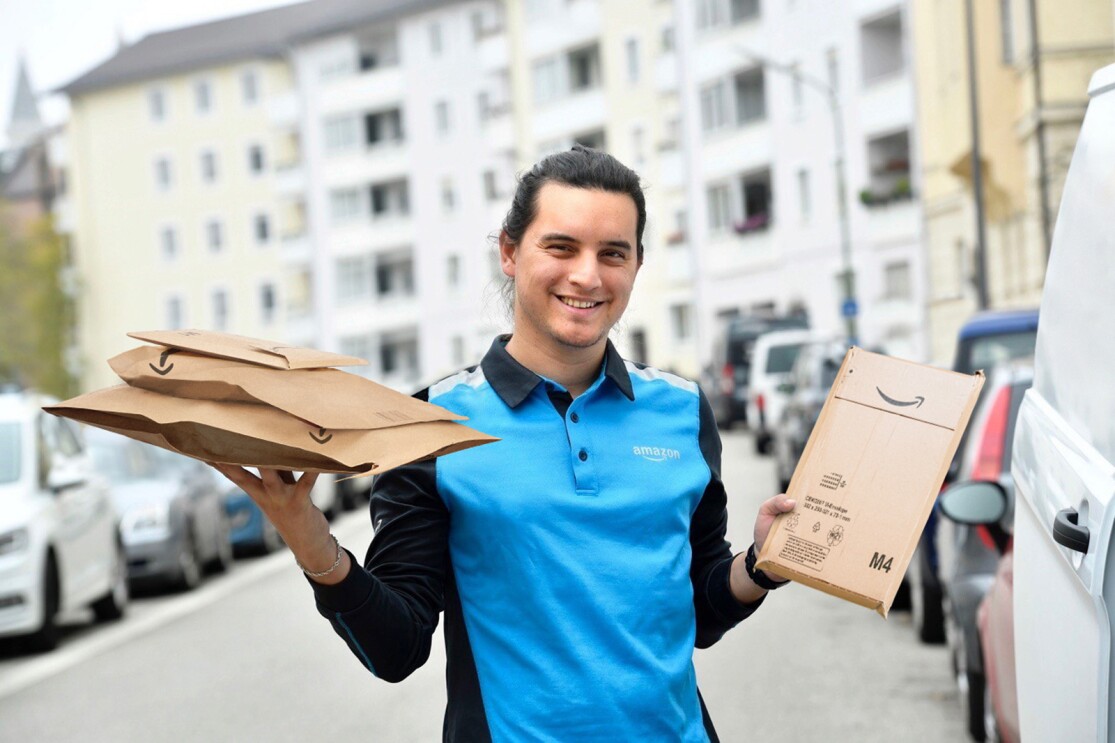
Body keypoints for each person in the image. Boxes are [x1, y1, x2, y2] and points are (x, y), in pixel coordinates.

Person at [213, 145, 795, 742]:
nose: (587, 276)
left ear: (638, 264)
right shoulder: (433, 424)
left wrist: (761, 565)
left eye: (612, 253)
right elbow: (397, 649)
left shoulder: (681, 410)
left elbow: (695, 611)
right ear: (511, 252)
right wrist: (311, 543)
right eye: (561, 247)